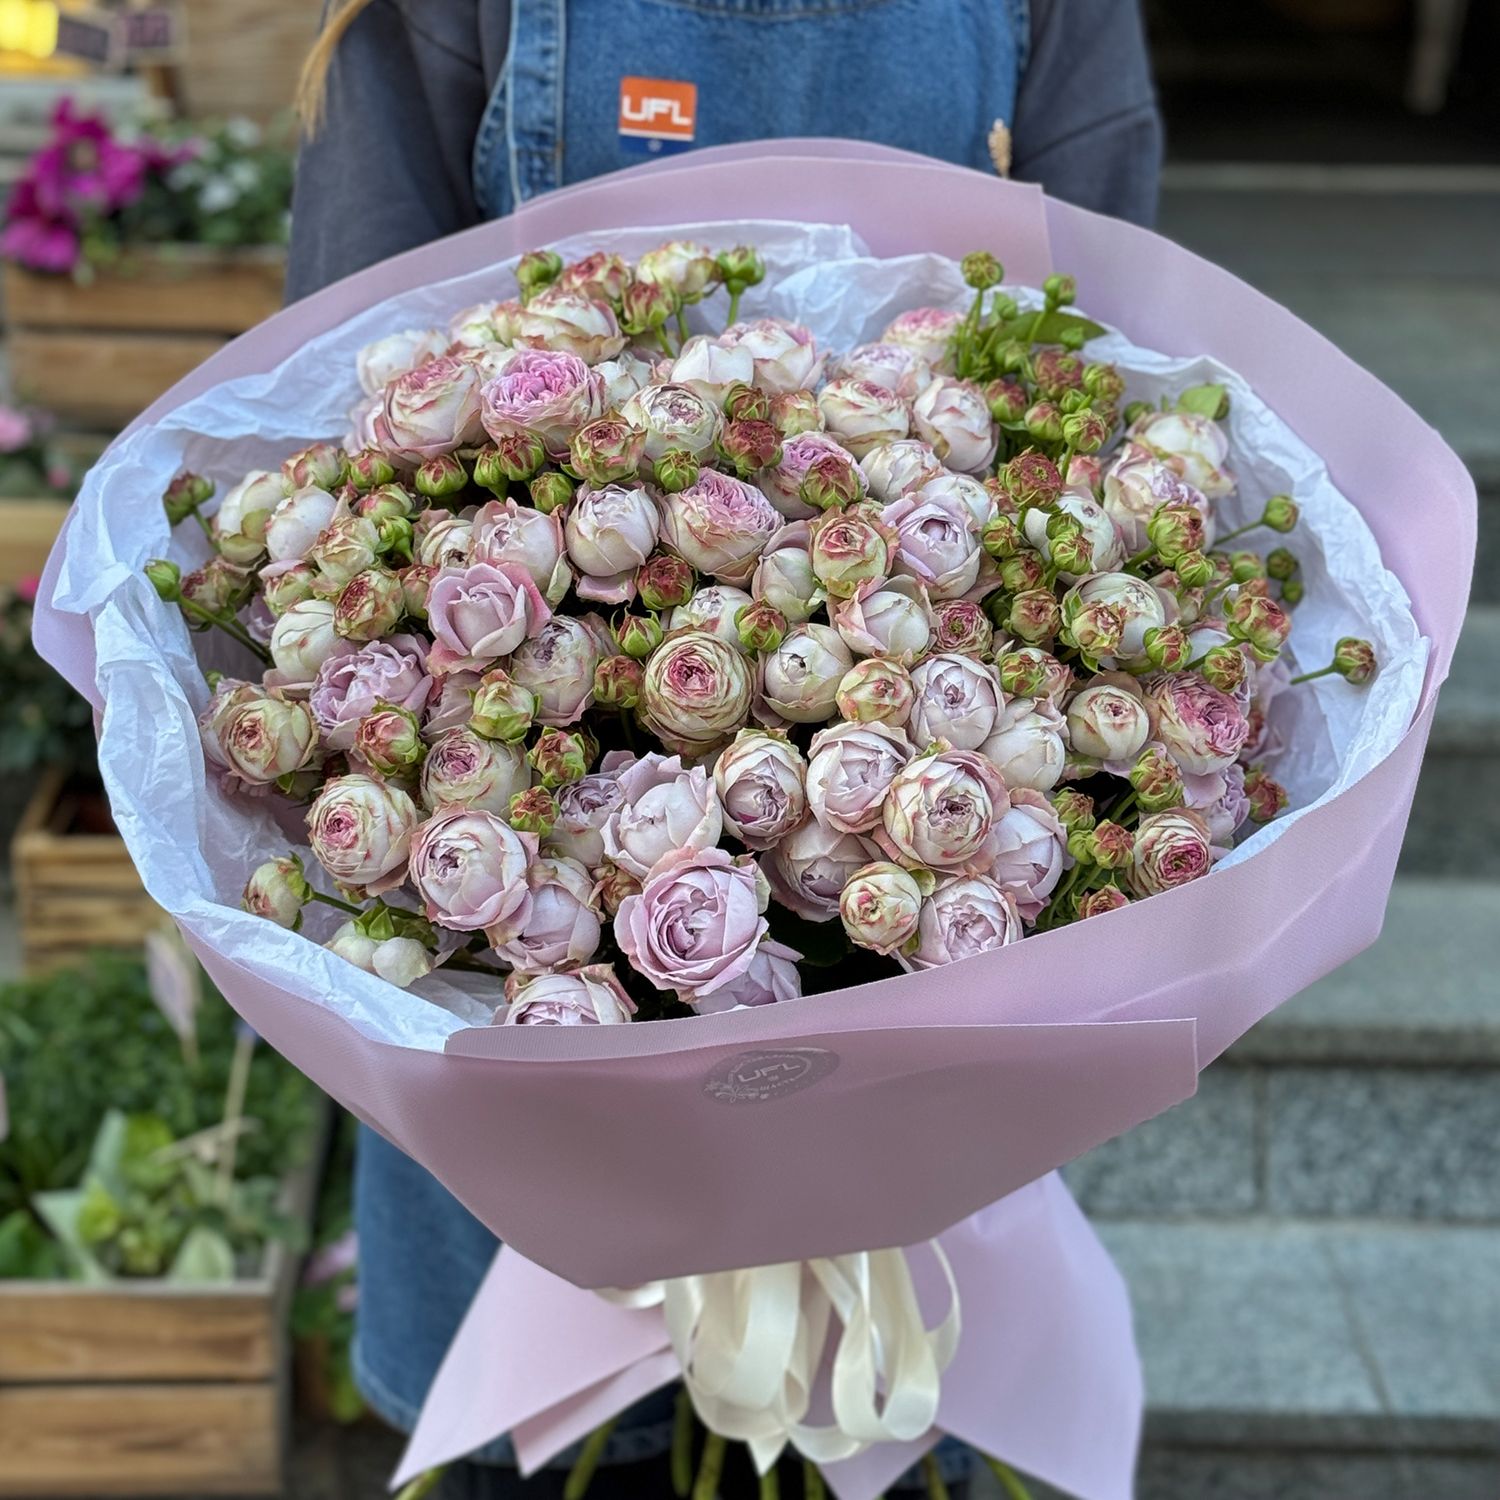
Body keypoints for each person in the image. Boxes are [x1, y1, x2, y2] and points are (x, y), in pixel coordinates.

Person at [286, 4, 1161, 1495]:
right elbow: (336, 412)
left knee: (873, 1419)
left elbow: (1108, 379)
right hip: (518, 1123)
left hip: (913, 1126)